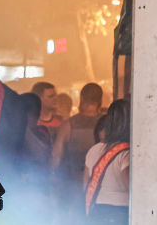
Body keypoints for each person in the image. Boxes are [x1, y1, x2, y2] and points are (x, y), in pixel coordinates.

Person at [52, 83, 105, 221]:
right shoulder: (106, 126)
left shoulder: (68, 125)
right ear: (100, 100)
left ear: (81, 97)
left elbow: (56, 156)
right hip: (100, 187)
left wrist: (51, 178)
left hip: (72, 185)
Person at [84, 99, 130, 224]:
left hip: (97, 211)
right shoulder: (127, 153)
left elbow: (85, 185)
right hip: (121, 213)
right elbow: (132, 188)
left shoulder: (94, 149)